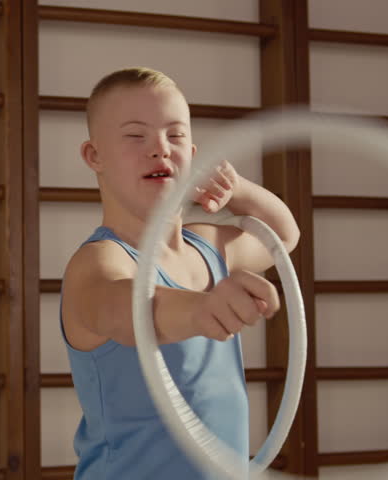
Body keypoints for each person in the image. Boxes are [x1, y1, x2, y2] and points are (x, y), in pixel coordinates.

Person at [60, 67, 300, 479]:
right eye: (136, 136)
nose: (160, 149)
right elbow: (128, 310)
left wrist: (236, 188)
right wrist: (200, 309)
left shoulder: (209, 246)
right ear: (94, 156)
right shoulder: (98, 262)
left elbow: (284, 234)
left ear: (192, 155)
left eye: (175, 136)